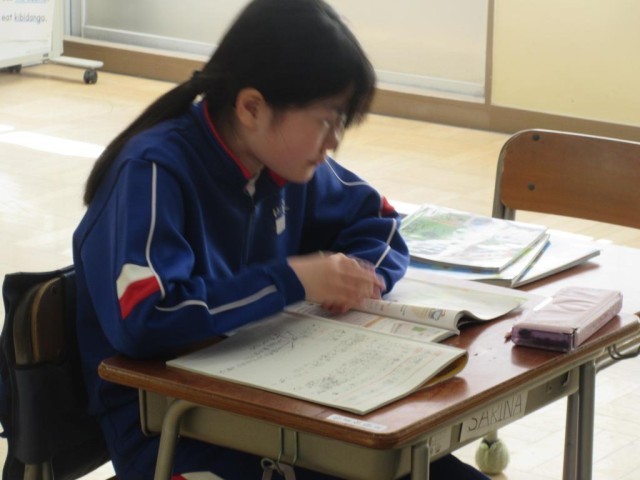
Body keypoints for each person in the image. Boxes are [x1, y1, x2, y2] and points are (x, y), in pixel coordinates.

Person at [73, 0, 490, 479]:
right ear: (252, 107)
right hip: (176, 434)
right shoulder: (153, 171)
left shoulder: (282, 164)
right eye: (326, 120)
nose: (333, 141)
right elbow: (146, 317)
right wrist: (292, 280)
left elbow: (380, 222)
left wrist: (357, 278)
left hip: (277, 410)